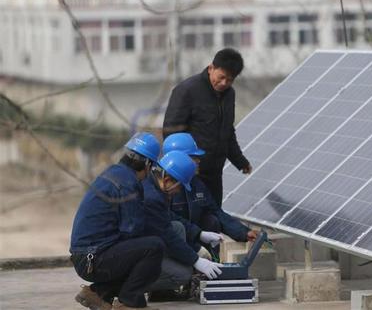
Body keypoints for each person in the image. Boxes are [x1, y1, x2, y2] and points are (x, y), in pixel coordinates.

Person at [70, 132, 163, 310]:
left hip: (85, 256)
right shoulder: (129, 183)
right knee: (154, 248)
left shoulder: (113, 173)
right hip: (93, 259)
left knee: (138, 251)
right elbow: (132, 230)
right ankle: (129, 303)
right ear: (147, 164)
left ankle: (97, 294)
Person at [163, 48, 252, 206]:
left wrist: (240, 161)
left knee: (214, 217)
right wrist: (184, 166)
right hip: (189, 174)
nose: (224, 83)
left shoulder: (229, 95)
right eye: (221, 77)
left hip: (215, 172)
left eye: (230, 80)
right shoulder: (187, 90)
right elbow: (171, 133)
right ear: (211, 68)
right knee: (192, 220)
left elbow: (227, 132)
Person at [163, 133, 258, 261]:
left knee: (211, 220)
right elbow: (166, 224)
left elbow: (215, 211)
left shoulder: (196, 184)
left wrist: (243, 232)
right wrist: (196, 246)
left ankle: (212, 263)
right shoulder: (163, 189)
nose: (198, 161)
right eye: (193, 157)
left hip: (193, 236)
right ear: (178, 158)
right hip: (173, 243)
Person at [143, 150, 225, 297]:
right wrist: (196, 258)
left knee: (178, 227)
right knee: (182, 274)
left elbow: (170, 218)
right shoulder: (151, 197)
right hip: (128, 254)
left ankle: (161, 291)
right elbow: (168, 235)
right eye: (179, 187)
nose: (178, 191)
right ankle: (122, 288)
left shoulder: (152, 186)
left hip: (140, 246)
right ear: (167, 180)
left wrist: (200, 234)